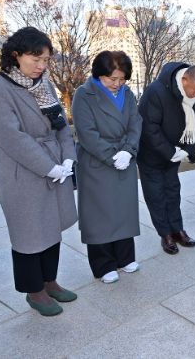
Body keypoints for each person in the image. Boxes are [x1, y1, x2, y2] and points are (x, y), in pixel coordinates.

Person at [0, 27, 77, 317]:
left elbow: (61, 125)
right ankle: (34, 291)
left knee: (51, 226)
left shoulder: (45, 85)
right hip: (21, 169)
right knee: (29, 232)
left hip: (55, 162)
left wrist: (68, 158)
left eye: (46, 60)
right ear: (16, 55)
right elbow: (11, 137)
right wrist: (48, 167)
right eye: (35, 59)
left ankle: (50, 281)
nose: (41, 66)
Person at [72, 51, 142, 284]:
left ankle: (125, 257)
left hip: (124, 155)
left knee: (124, 210)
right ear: (99, 74)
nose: (117, 84)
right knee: (99, 214)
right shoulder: (84, 94)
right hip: (97, 161)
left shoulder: (127, 94)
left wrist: (128, 150)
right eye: (112, 79)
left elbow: (135, 123)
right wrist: (112, 156)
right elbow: (86, 133)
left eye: (122, 79)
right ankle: (103, 264)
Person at [137, 63, 195, 255]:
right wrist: (169, 151)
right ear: (184, 79)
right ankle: (165, 234)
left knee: (173, 192)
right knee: (156, 195)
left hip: (176, 153)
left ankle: (177, 230)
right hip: (152, 155)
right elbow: (149, 128)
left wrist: (188, 150)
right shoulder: (156, 91)